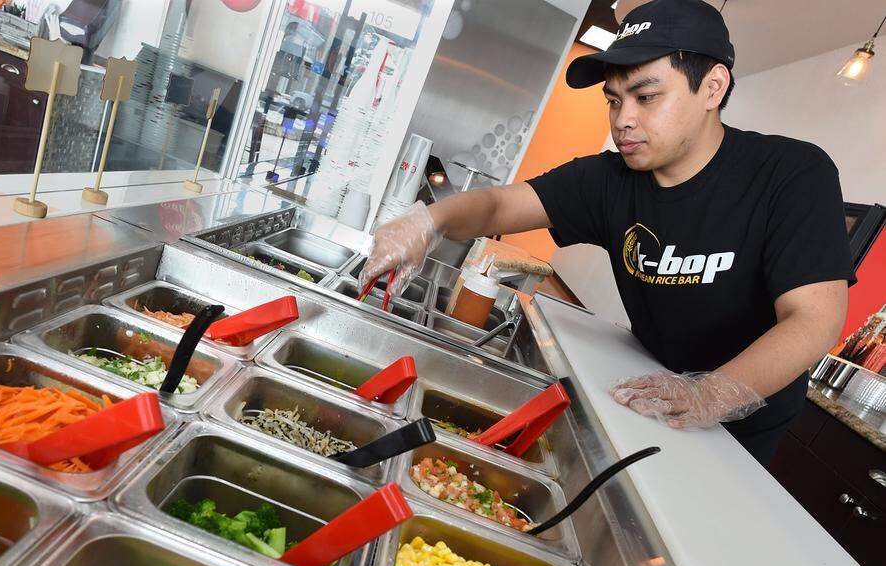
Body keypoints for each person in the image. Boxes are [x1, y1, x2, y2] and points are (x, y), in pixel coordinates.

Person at [359, 0, 853, 465]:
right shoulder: (610, 179)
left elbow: (813, 320)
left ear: (712, 88)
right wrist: (428, 220)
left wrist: (709, 394)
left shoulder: (791, 173)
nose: (624, 120)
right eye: (614, 100)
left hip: (739, 428)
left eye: (647, 96)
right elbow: (497, 204)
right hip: (648, 386)